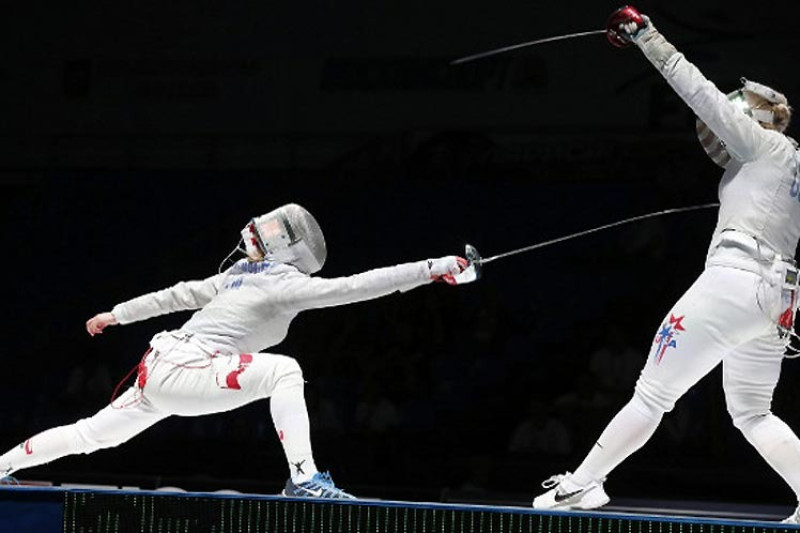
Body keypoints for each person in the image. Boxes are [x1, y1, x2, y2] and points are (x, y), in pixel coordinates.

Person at [0, 203, 469, 499]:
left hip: (162, 367)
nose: (259, 231)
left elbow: (359, 286)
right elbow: (180, 294)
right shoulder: (242, 275)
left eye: (273, 230)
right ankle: (304, 480)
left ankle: (4, 465)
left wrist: (433, 268)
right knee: (285, 371)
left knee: (91, 435)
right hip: (188, 367)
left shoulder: (281, 283)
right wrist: (118, 313)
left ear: (287, 247)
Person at [533, 6, 800, 521]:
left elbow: (697, 91)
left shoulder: (760, 143)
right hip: (779, 297)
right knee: (751, 411)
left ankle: (583, 484)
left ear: (751, 118)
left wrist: (646, 36)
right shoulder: (789, 161)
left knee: (653, 393)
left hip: (736, 282)